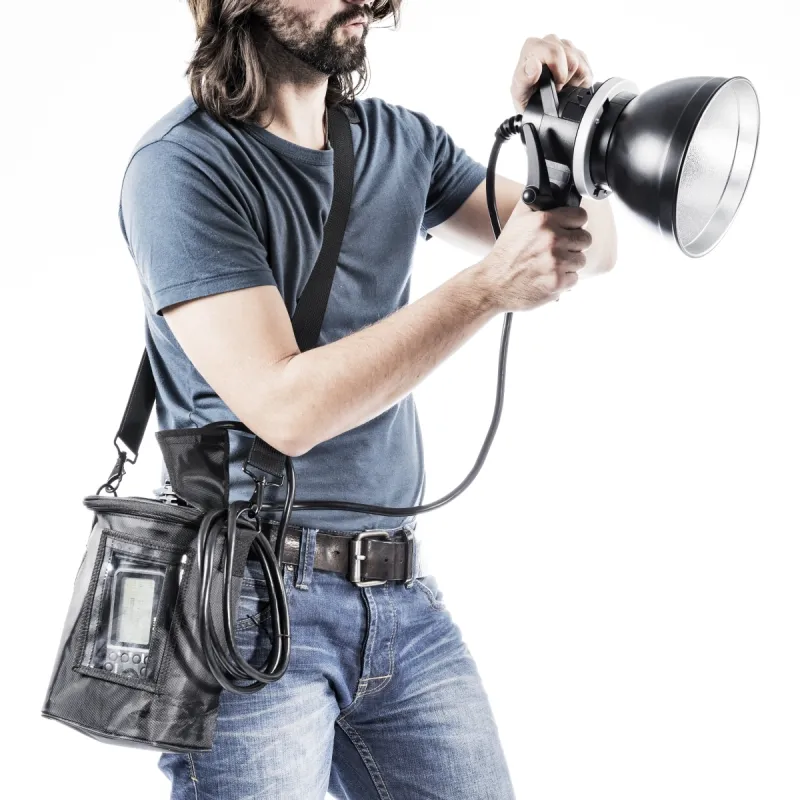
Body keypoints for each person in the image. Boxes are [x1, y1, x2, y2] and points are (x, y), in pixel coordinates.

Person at [118, 1, 617, 797]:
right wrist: (486, 289)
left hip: (401, 598)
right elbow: (285, 409)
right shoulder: (181, 167)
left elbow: (589, 247)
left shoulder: (401, 141)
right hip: (249, 606)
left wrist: (564, 127)